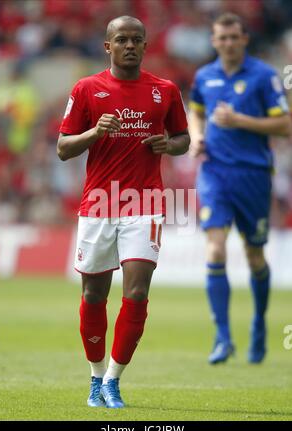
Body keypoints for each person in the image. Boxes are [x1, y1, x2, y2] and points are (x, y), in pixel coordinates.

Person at [57, 16, 190, 408]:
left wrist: (170, 144)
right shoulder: (87, 89)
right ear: (107, 46)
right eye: (121, 40)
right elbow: (64, 148)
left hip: (145, 203)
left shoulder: (164, 91)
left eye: (136, 40)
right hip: (98, 204)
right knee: (94, 295)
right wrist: (94, 133)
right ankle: (96, 378)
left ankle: (114, 380)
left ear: (146, 46)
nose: (129, 45)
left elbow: (183, 138)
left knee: (136, 292)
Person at [189, 13, 291, 365]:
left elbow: (285, 125)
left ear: (245, 39)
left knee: (254, 256)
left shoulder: (264, 77)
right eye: (222, 38)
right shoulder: (204, 76)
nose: (228, 43)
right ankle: (222, 337)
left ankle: (259, 324)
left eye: (234, 37)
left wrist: (239, 121)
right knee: (215, 251)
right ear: (214, 41)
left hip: (254, 176)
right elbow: (196, 111)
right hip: (214, 172)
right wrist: (198, 137)